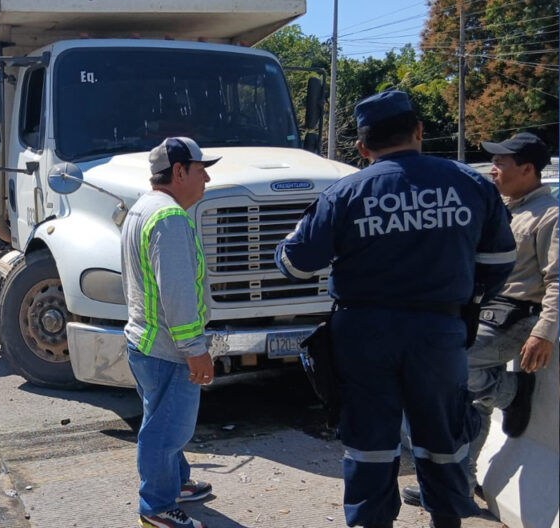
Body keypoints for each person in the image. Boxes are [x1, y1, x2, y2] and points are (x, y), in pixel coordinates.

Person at [274, 91, 516, 528]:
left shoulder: (345, 192)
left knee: (369, 442)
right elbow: (499, 263)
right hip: (440, 330)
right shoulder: (471, 183)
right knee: (443, 437)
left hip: (363, 335)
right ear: (419, 131)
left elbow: (294, 262)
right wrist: (464, 298)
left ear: (362, 148)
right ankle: (447, 519)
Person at [402, 132, 558, 506]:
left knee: (451, 365)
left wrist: (545, 332)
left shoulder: (550, 215)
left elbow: (557, 279)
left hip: (517, 318)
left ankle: (512, 392)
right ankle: (458, 486)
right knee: (471, 402)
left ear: (527, 169)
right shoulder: (500, 207)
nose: (493, 169)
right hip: (481, 311)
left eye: (501, 163)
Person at [122, 136, 219, 528]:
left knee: (161, 420)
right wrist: (195, 349)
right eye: (201, 170)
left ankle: (175, 483)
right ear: (179, 172)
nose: (206, 178)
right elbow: (177, 292)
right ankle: (157, 507)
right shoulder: (170, 219)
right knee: (166, 433)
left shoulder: (143, 208)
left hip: (145, 341)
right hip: (169, 349)